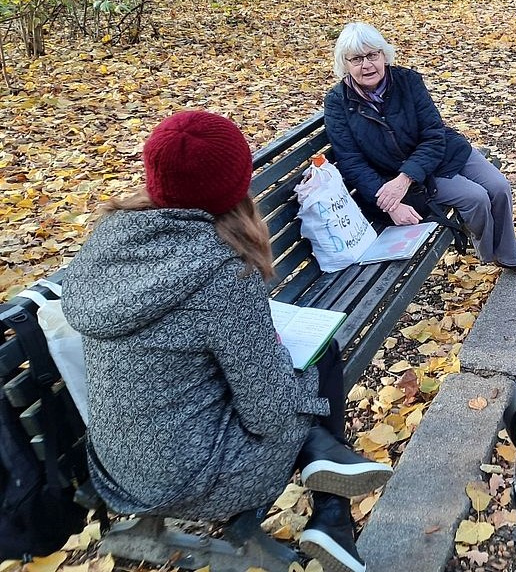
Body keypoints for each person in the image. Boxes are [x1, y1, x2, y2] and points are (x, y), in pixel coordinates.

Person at [61, 111, 393, 572]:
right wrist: (281, 363)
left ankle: (330, 499)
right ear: (237, 185)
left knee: (292, 370)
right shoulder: (221, 272)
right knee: (316, 366)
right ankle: (331, 509)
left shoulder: (107, 241)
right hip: (196, 479)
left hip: (116, 466)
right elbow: (268, 411)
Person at [323, 21, 516, 278]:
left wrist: (405, 178)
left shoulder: (407, 81)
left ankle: (505, 251)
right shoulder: (338, 102)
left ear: (384, 55)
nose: (367, 65)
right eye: (357, 59)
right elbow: (351, 163)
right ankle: (503, 255)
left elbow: (434, 134)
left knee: (499, 186)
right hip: (407, 175)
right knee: (476, 198)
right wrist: (390, 203)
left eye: (372, 55)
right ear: (344, 63)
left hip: (442, 152)